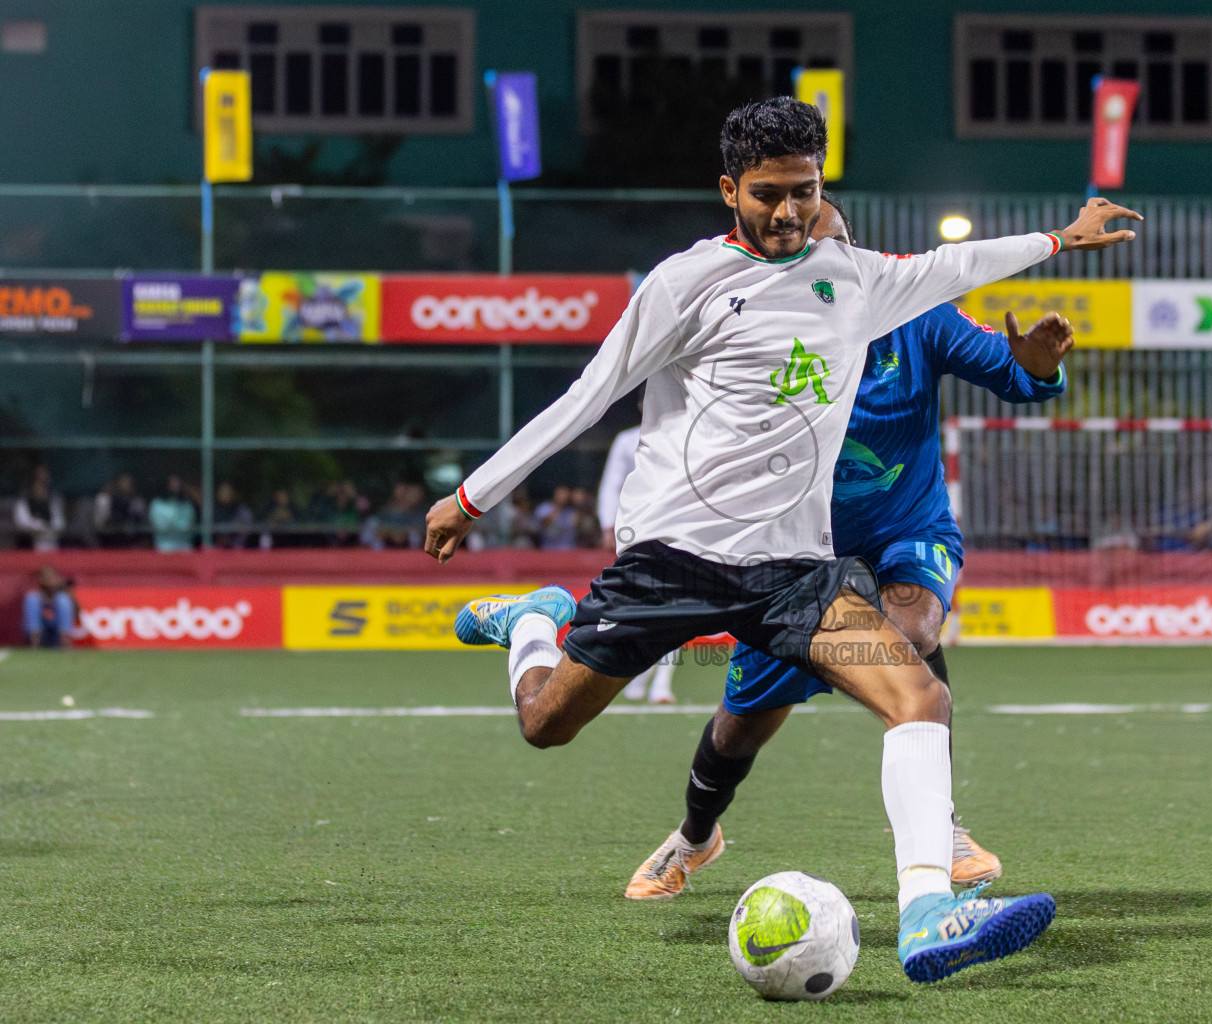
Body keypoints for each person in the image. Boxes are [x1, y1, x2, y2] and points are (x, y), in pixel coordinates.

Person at [423, 97, 1139, 983]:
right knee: (546, 725)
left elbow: (959, 265)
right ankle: (534, 623)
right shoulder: (685, 283)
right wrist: (471, 494)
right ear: (730, 191)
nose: (789, 212)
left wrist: (1062, 239)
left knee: (919, 696)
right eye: (768, 194)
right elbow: (587, 395)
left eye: (804, 192)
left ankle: (926, 914)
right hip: (671, 559)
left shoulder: (859, 278)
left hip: (791, 573)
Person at [624, 195, 1072, 899]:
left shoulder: (920, 318)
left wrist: (1039, 368)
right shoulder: (761, 340)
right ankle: (694, 837)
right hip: (798, 559)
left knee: (913, 630)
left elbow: (1013, 373)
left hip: (906, 534)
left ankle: (938, 827)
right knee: (739, 727)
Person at [597, 403, 678, 704]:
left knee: (676, 605)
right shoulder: (627, 440)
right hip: (636, 532)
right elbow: (611, 484)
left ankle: (661, 684)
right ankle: (639, 674)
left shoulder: (686, 433)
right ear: (644, 403)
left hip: (676, 530)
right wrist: (608, 524)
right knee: (643, 606)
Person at [23, 565, 77, 648]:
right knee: (31, 600)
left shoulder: (63, 598)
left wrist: (68, 592)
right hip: (42, 632)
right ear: (39, 579)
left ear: (57, 578)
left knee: (63, 600)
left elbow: (78, 613)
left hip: (57, 632)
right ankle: (35, 644)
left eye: (51, 577)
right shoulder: (34, 598)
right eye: (45, 577)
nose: (48, 580)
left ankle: (65, 643)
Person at [14, 466, 66, 551]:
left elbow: (59, 524)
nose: (43, 488)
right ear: (33, 485)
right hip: (28, 548)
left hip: (52, 546)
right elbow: (23, 525)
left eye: (45, 485)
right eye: (40, 484)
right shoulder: (23, 503)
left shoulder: (53, 503)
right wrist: (42, 526)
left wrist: (46, 528)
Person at [148, 475, 197, 553]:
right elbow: (159, 526)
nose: (175, 486)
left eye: (177, 484)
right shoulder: (157, 504)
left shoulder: (186, 504)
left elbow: (187, 525)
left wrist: (174, 524)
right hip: (163, 545)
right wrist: (173, 523)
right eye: (172, 484)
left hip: (183, 545)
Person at [534, 485, 579, 550]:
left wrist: (576, 503)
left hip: (569, 550)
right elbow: (545, 523)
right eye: (561, 494)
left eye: (566, 495)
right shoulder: (544, 508)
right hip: (548, 549)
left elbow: (578, 525)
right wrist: (558, 506)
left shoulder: (572, 511)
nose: (564, 497)